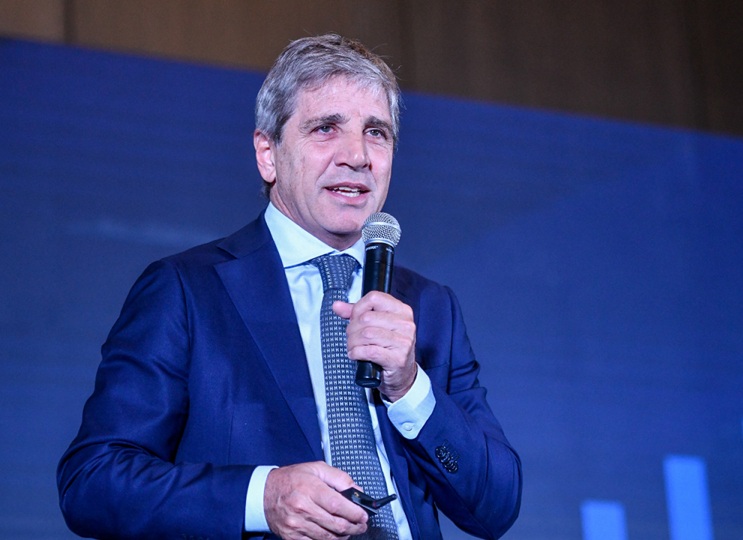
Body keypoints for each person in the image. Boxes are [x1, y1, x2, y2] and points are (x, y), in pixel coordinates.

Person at [57, 34, 522, 540]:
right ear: (268, 154)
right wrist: (263, 496)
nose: (358, 156)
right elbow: (93, 480)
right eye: (326, 128)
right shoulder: (187, 291)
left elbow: (495, 507)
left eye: (376, 132)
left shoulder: (429, 307)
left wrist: (410, 388)